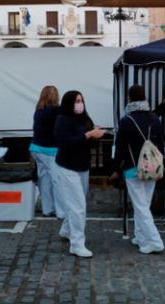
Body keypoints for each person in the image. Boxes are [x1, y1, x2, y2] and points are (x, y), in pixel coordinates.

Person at [113, 85, 165, 254]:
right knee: (144, 205)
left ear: (129, 98)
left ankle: (155, 241)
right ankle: (140, 237)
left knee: (140, 206)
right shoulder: (155, 118)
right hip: (152, 166)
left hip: (133, 167)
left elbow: (120, 148)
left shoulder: (127, 120)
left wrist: (115, 168)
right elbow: (161, 145)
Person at [53, 90, 105, 258]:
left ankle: (67, 229)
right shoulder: (62, 120)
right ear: (69, 103)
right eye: (76, 101)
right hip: (67, 166)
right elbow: (65, 143)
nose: (79, 104)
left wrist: (95, 136)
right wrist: (88, 135)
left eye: (81, 100)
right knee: (78, 206)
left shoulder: (85, 119)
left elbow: (87, 144)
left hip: (83, 166)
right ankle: (77, 244)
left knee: (78, 201)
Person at [31, 85, 62, 218]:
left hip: (37, 148)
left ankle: (47, 208)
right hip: (51, 149)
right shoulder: (56, 111)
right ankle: (61, 211)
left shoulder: (38, 110)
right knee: (57, 180)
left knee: (44, 179)